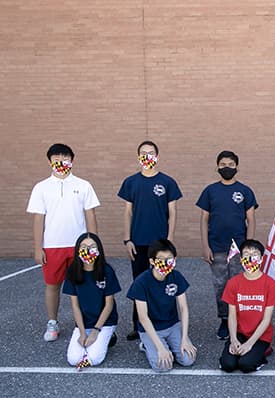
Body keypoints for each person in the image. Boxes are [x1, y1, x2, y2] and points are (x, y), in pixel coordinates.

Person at [27, 143, 100, 342]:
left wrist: (93, 243)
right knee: (52, 285)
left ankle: (84, 321)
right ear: (50, 161)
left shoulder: (83, 185)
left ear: (72, 160)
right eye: (56, 158)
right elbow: (38, 220)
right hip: (52, 246)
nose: (61, 162)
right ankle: (52, 322)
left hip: (80, 246)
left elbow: (90, 215)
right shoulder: (41, 187)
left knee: (84, 284)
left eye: (65, 157)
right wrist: (37, 247)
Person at [118, 140, 182, 341]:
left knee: (164, 282)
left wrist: (169, 241)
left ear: (158, 156)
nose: (147, 156)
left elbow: (173, 212)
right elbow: (128, 213)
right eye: (143, 153)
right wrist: (127, 239)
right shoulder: (130, 182)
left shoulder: (168, 182)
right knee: (140, 283)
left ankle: (166, 323)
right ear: (138, 157)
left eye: (151, 153)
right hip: (138, 243)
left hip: (161, 246)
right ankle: (139, 325)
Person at [196, 150, 258, 341]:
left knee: (240, 285)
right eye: (223, 165)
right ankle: (224, 320)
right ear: (217, 167)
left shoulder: (245, 191)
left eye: (230, 165)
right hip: (217, 247)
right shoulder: (210, 191)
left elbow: (251, 220)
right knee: (221, 286)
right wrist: (205, 247)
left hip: (239, 248)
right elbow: (203, 220)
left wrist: (248, 248)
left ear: (236, 167)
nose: (227, 168)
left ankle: (241, 321)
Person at [126, 239, 197, 372]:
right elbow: (143, 317)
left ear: (174, 259)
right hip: (151, 329)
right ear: (152, 261)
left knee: (188, 359)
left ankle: (169, 346)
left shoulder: (176, 276)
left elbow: (183, 308)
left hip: (172, 325)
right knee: (163, 366)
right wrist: (160, 348)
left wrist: (185, 338)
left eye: (169, 258)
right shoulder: (141, 282)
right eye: (161, 259)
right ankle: (147, 345)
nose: (165, 263)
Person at [219, 239, 275, 373]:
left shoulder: (270, 284)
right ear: (241, 259)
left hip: (260, 335)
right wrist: (234, 339)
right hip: (240, 333)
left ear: (261, 258)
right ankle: (235, 347)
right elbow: (232, 316)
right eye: (246, 254)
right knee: (228, 365)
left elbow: (266, 320)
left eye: (254, 254)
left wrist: (250, 343)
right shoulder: (233, 283)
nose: (250, 258)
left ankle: (265, 351)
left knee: (246, 365)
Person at [63, 233, 120, 368]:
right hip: (84, 323)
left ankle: (108, 336)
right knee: (73, 359)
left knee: (94, 358)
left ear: (99, 250)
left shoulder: (107, 271)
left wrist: (95, 331)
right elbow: (75, 306)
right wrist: (82, 332)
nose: (88, 250)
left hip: (104, 322)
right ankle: (98, 339)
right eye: (84, 246)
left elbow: (109, 305)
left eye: (92, 246)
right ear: (78, 250)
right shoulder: (72, 271)